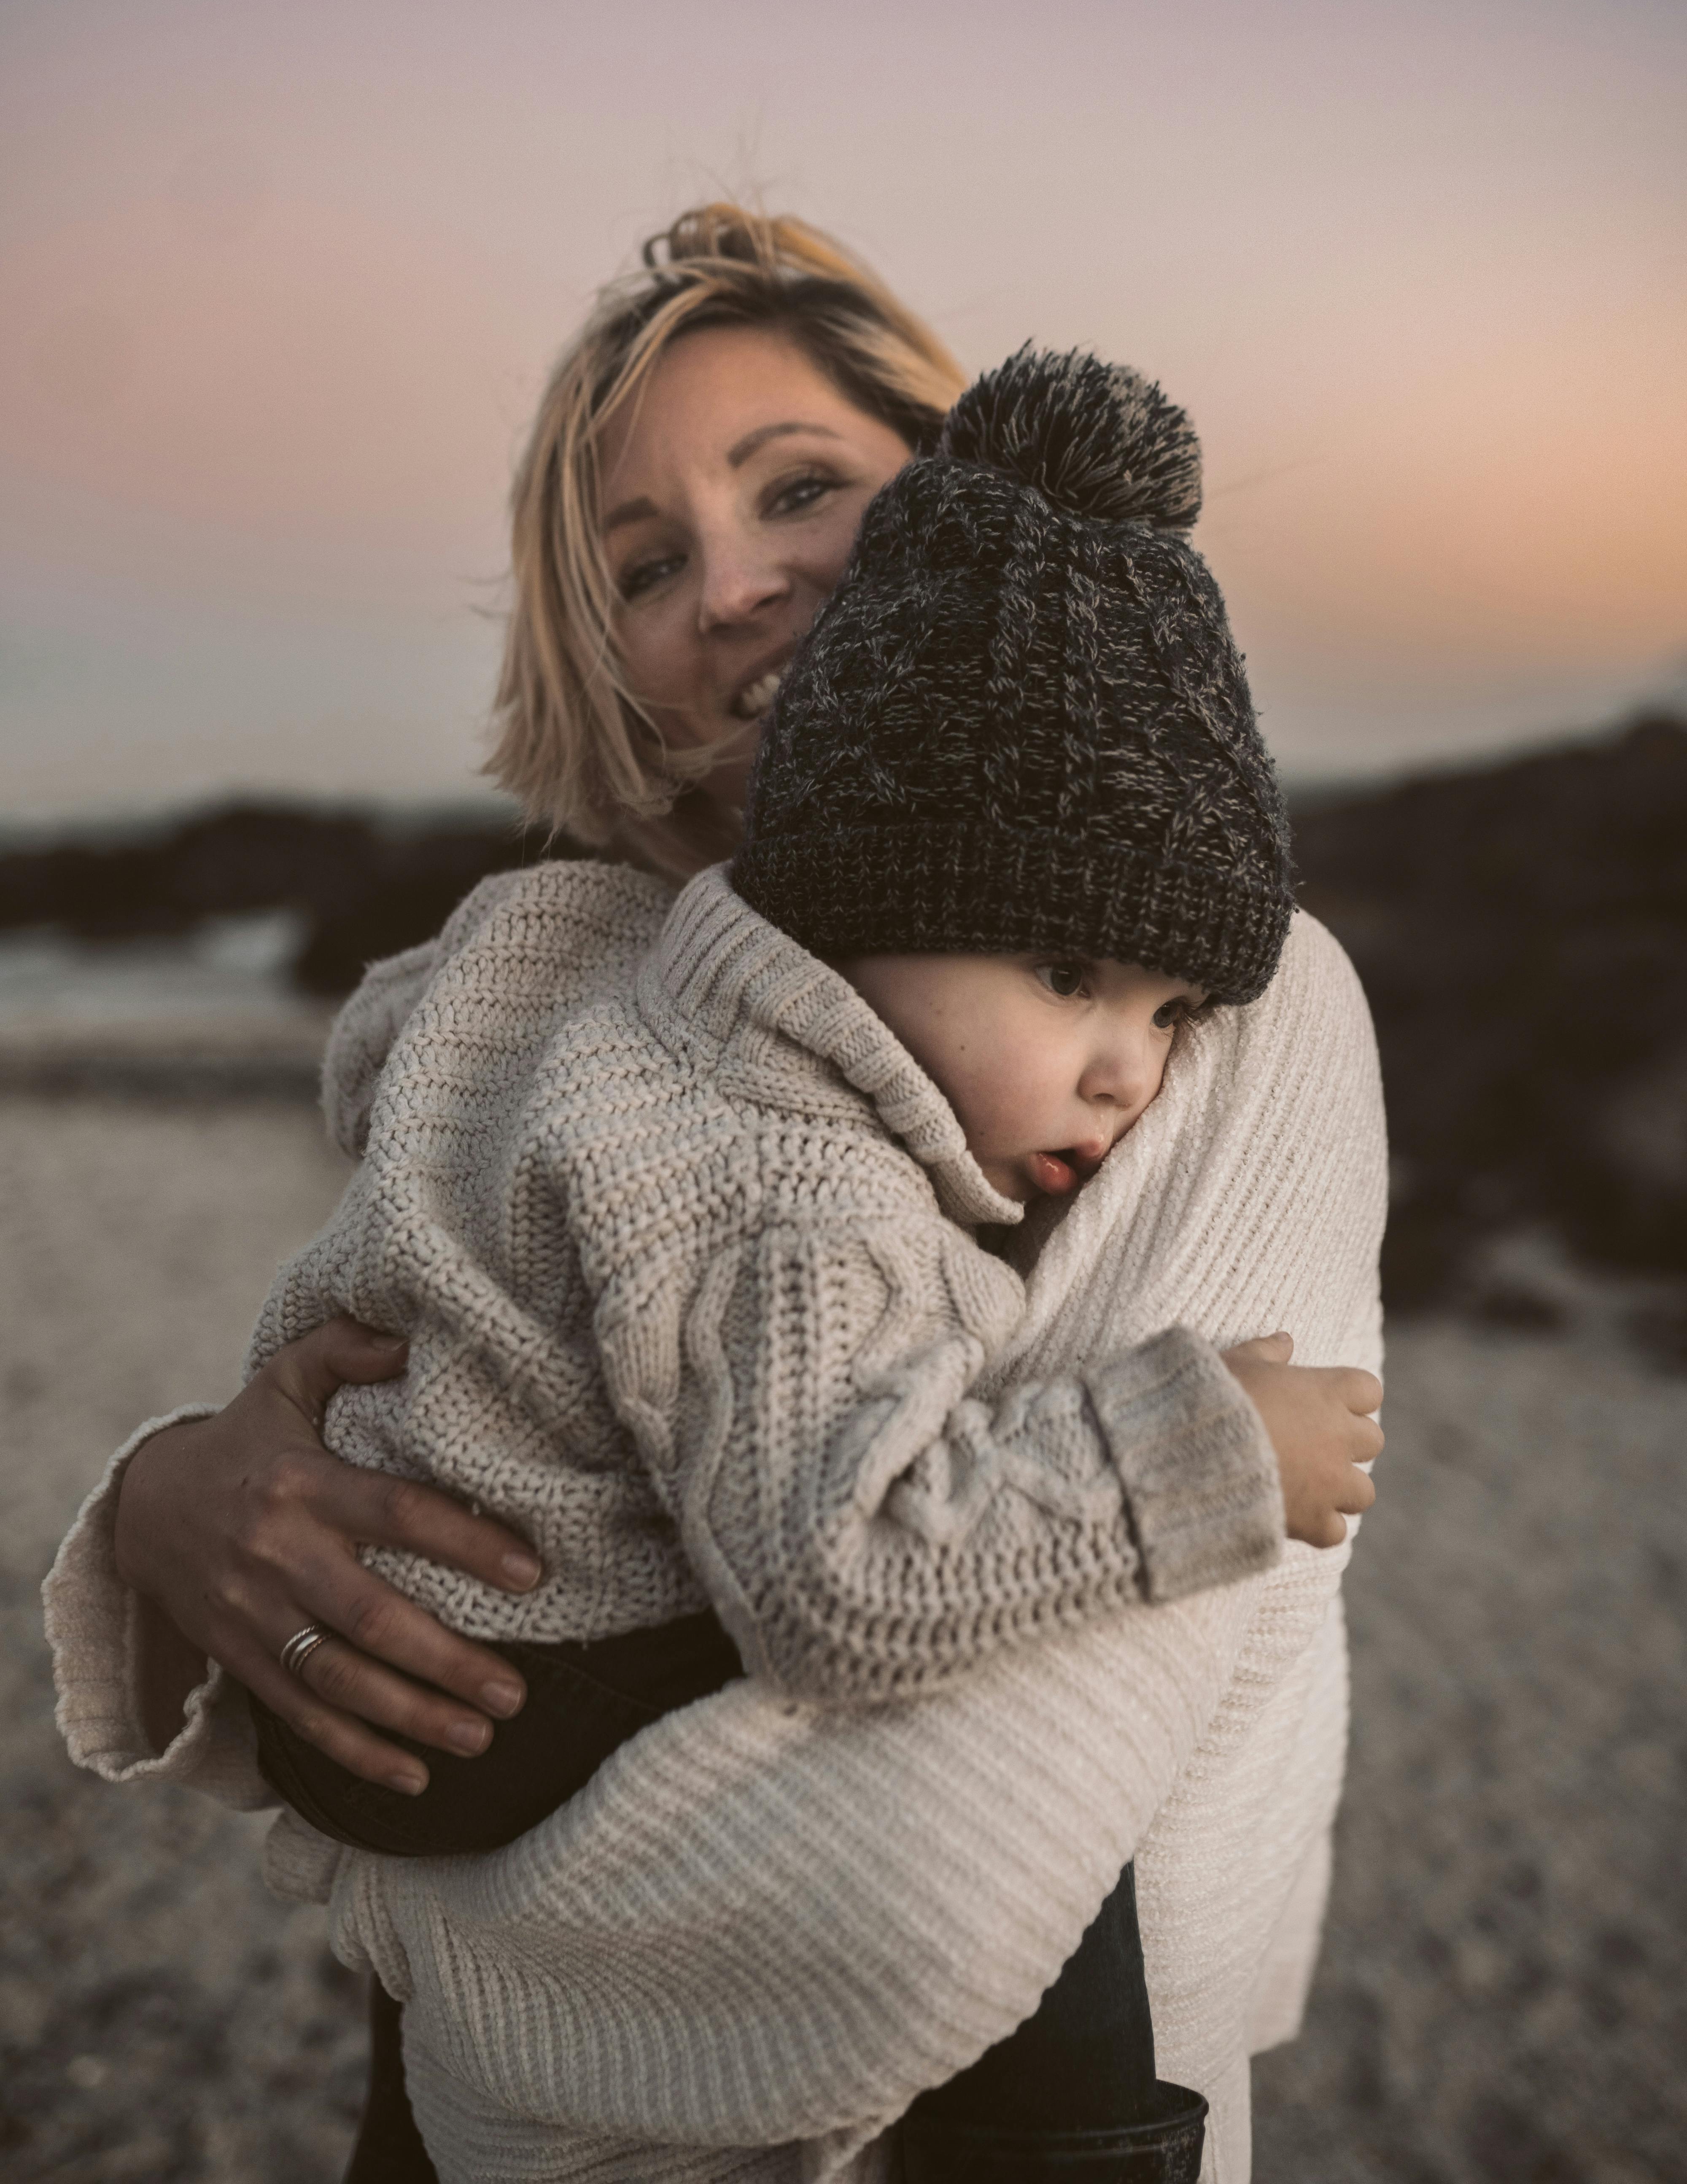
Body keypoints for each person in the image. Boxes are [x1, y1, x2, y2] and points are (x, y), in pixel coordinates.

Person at [45, 214, 1388, 2179]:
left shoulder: (1236, 997)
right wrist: (172, 1491)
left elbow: (966, 1807)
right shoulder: (614, 1028)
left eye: (802, 492)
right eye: (647, 565)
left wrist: (451, 1914)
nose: (739, 587)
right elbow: (436, 1383)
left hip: (971, 2073)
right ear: (608, 660)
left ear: (974, 512)